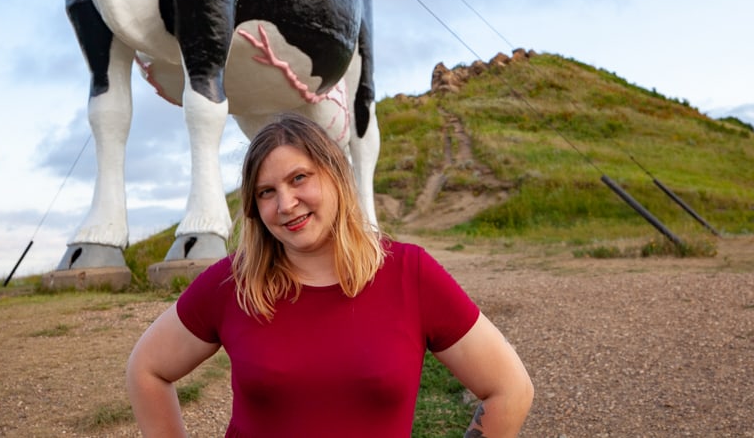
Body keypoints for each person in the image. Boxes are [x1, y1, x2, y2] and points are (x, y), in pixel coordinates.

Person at [126, 113, 534, 437]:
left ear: (336, 176)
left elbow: (510, 389)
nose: (285, 203)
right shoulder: (231, 283)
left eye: (299, 178)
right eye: (266, 192)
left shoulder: (410, 274)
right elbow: (147, 369)